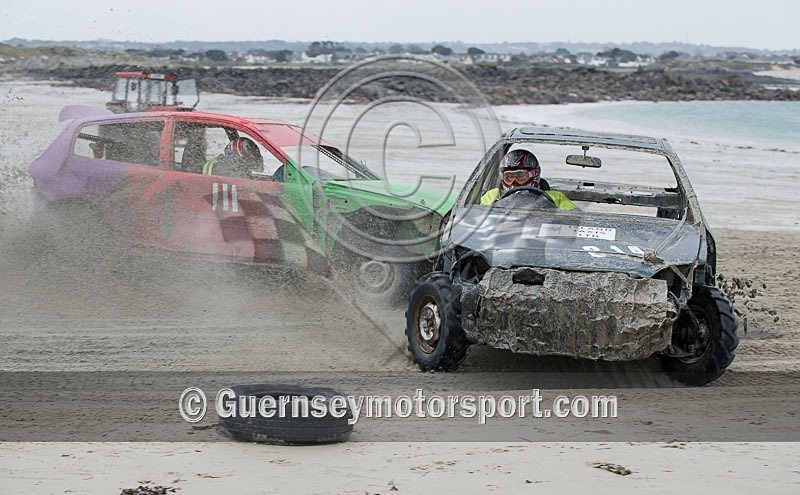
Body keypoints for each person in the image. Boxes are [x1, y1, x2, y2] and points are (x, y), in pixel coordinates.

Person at [480, 149, 577, 210]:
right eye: (509, 177)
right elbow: (479, 219)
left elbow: (576, 219)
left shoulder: (555, 197)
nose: (514, 181)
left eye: (521, 176)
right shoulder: (492, 195)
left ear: (534, 174)